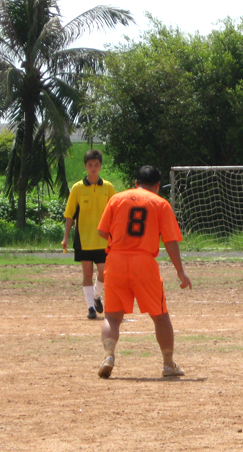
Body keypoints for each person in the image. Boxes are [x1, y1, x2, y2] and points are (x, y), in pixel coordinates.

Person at [96, 165, 192, 379]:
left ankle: (109, 355)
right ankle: (168, 363)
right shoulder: (161, 203)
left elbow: (102, 231)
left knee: (112, 316)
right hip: (144, 262)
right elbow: (170, 241)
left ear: (135, 183)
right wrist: (180, 271)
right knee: (160, 315)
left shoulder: (117, 199)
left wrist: (119, 240)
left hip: (116, 260)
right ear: (157, 185)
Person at [62, 149, 116, 319]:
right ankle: (90, 308)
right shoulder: (77, 188)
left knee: (103, 272)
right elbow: (70, 214)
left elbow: (116, 213)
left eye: (96, 165)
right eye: (90, 165)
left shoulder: (108, 187)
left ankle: (96, 295)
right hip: (83, 238)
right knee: (87, 274)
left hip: (103, 239)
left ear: (100, 166)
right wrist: (66, 236)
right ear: (85, 166)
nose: (93, 168)